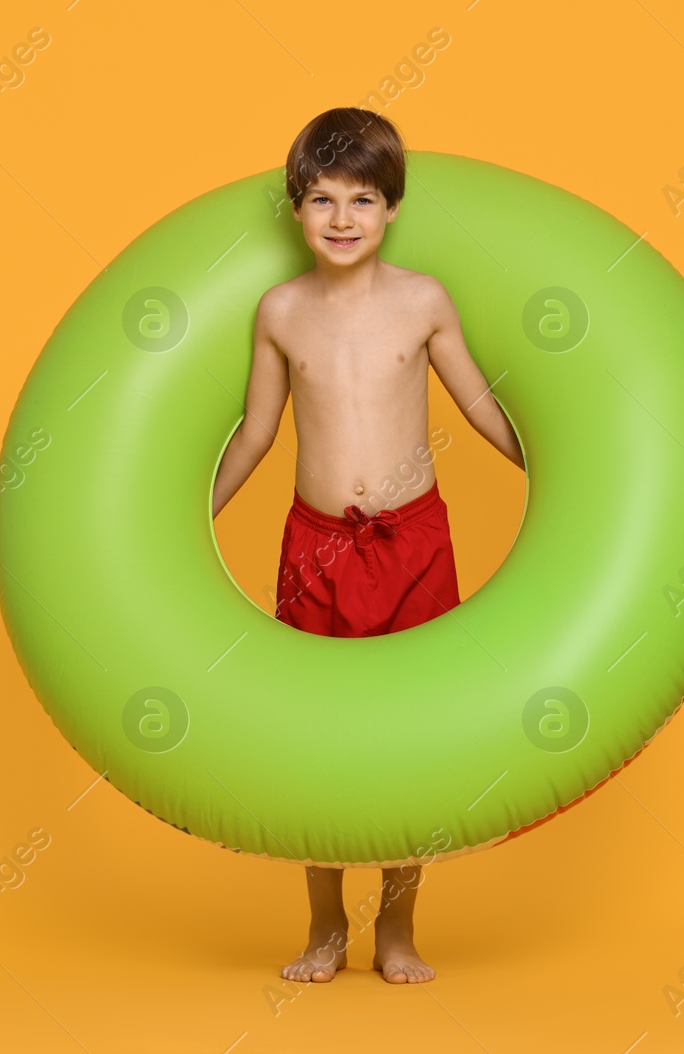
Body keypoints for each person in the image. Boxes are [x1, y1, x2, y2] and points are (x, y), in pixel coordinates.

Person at [210, 107, 525, 984]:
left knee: (408, 739)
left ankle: (395, 930)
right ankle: (321, 928)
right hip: (316, 546)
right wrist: (197, 516)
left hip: (414, 538)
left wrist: (551, 472)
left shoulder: (422, 300)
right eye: (321, 199)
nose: (341, 218)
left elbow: (477, 401)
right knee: (317, 742)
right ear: (296, 209)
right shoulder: (281, 310)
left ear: (391, 209)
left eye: (361, 199)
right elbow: (255, 434)